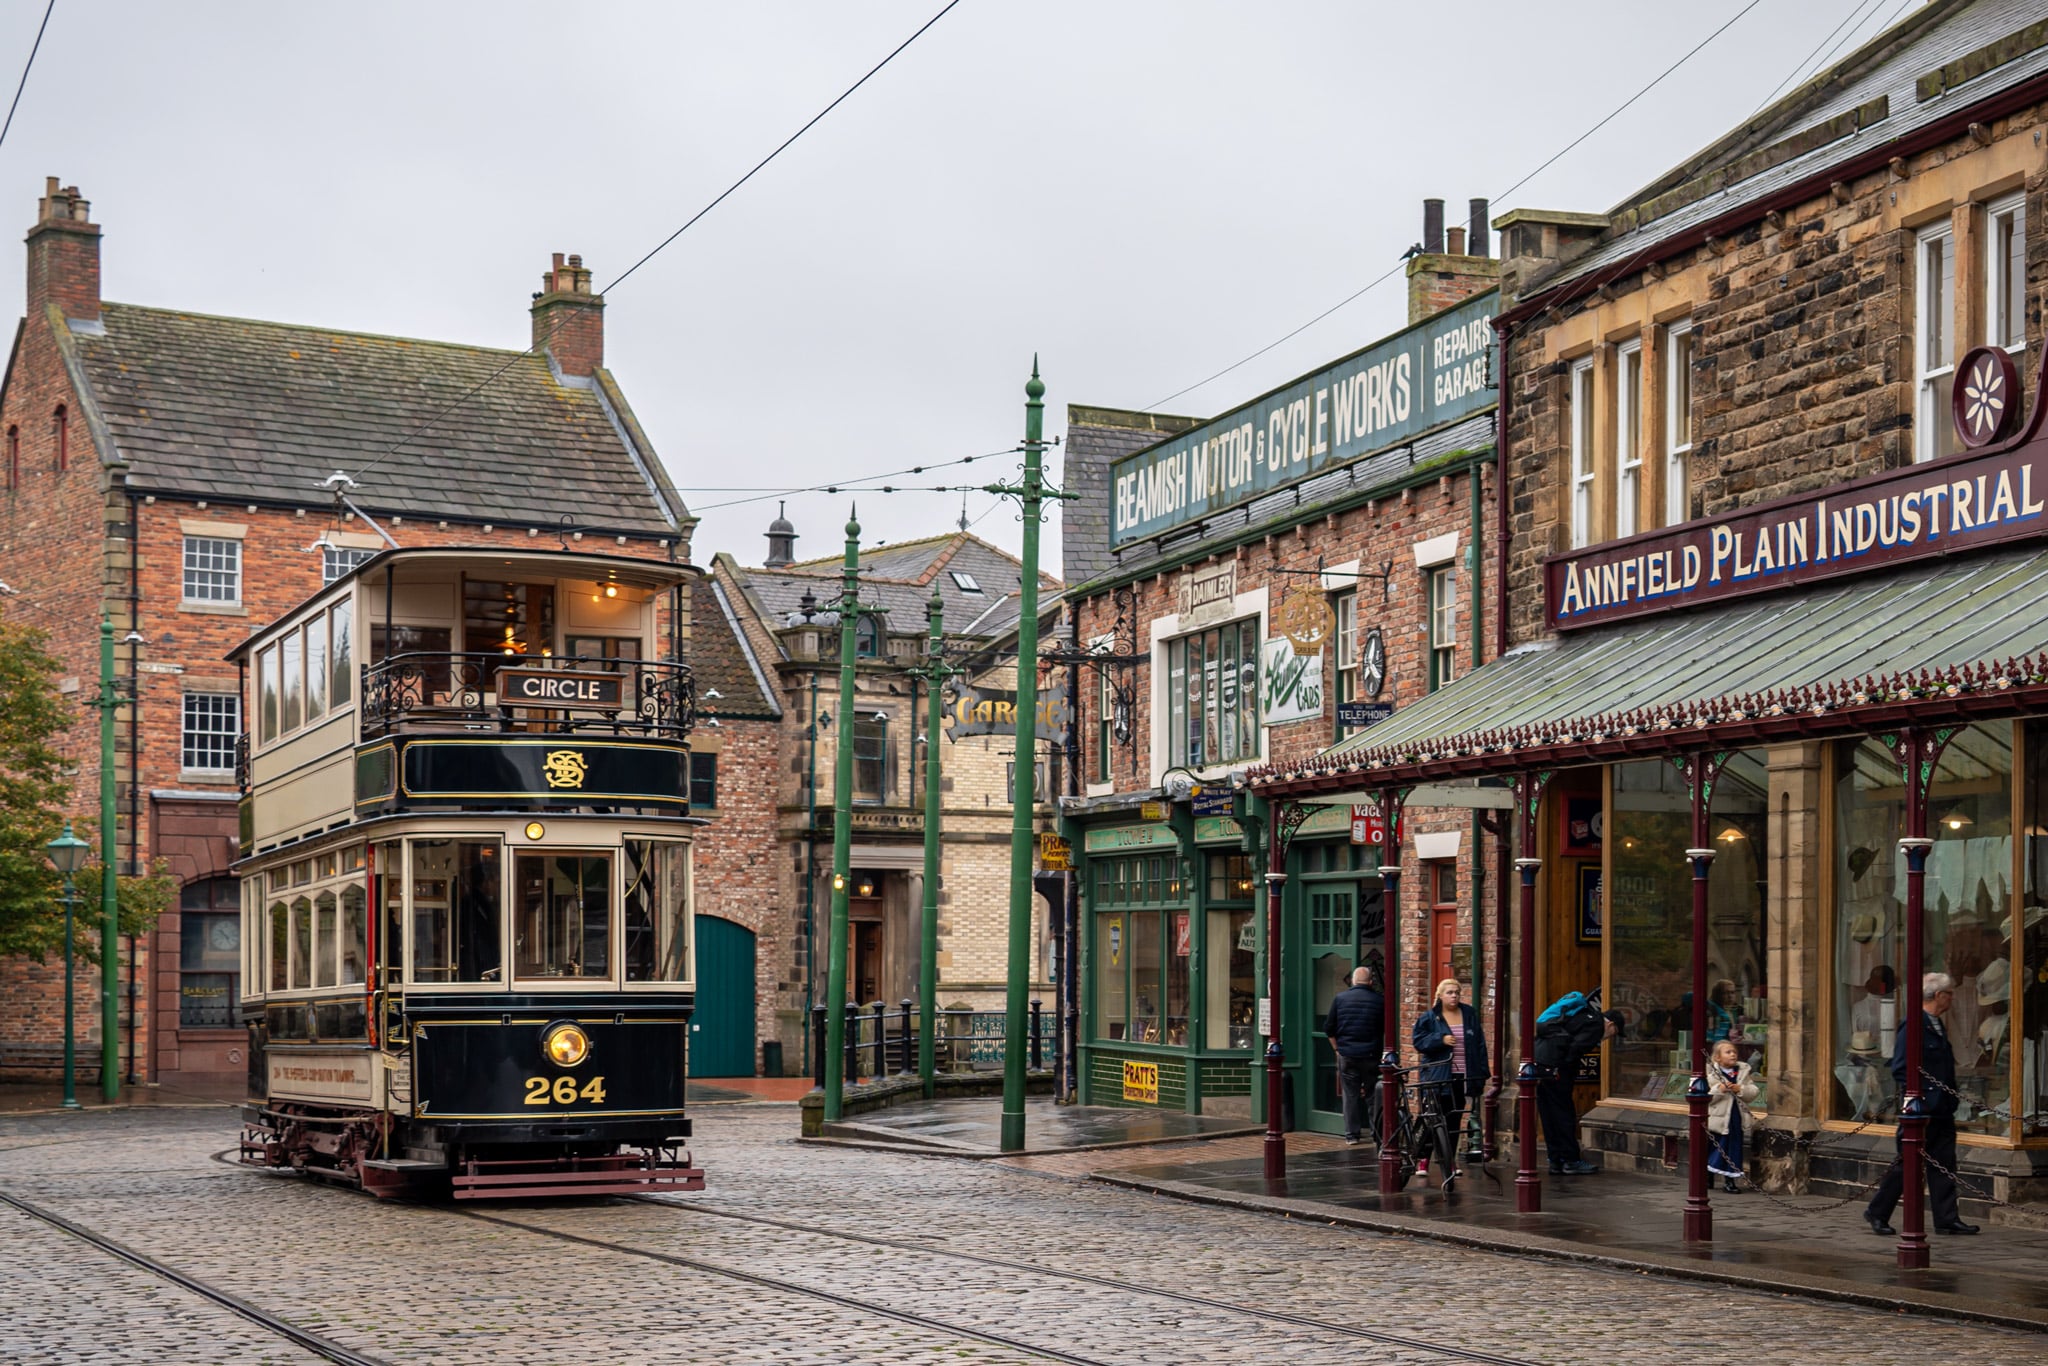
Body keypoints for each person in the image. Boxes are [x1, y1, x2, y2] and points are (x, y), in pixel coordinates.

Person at [1864, 972, 1980, 1237]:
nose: (1952, 998)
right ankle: (1878, 1211)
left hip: (1942, 1108)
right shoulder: (1914, 1025)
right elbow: (1900, 1068)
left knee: (1944, 1164)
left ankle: (1947, 1218)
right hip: (1921, 1110)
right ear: (1939, 996)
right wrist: (1922, 1100)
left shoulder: (1936, 1024)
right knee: (1907, 1164)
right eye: (1949, 993)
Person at [1534, 996, 1624, 1175]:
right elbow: (1575, 1049)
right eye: (1615, 1032)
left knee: (1548, 1113)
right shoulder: (1596, 1024)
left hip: (1540, 1062)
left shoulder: (1580, 1016)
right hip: (1557, 1068)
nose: (1610, 1037)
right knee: (1564, 1113)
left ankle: (1555, 1160)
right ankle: (1571, 1160)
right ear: (1610, 1024)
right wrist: (1564, 1068)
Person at [1412, 979, 1490, 1176]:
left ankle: (1450, 1162)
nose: (1454, 995)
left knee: (1454, 1121)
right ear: (1440, 995)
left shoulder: (1469, 1014)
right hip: (1438, 1077)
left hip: (1462, 1076)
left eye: (1456, 992)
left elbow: (1480, 1044)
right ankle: (1423, 1159)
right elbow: (1418, 1041)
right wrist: (1441, 1040)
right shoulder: (1430, 1017)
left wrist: (1481, 1074)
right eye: (1449, 992)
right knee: (1432, 1119)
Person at [1323, 965, 1384, 1146]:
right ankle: (1376, 1133)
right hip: (1371, 1054)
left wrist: (1337, 1049)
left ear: (1352, 981)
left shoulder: (1340, 999)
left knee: (1350, 1095)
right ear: (1371, 982)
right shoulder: (1379, 1001)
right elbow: (1384, 1029)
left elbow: (1328, 1028)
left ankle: (1352, 1134)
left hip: (1347, 1054)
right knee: (1373, 1095)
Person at [1704, 1038, 1758, 1193]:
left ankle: (1730, 1180)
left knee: (1733, 1149)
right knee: (1715, 1148)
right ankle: (1708, 1177)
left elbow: (1753, 1091)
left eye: (1734, 1051)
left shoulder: (1742, 1072)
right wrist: (1719, 1089)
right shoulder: (1710, 1074)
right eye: (1728, 1052)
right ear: (1718, 1057)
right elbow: (1705, 1097)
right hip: (1717, 1119)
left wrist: (1740, 1089)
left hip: (1735, 1118)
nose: (1733, 1054)